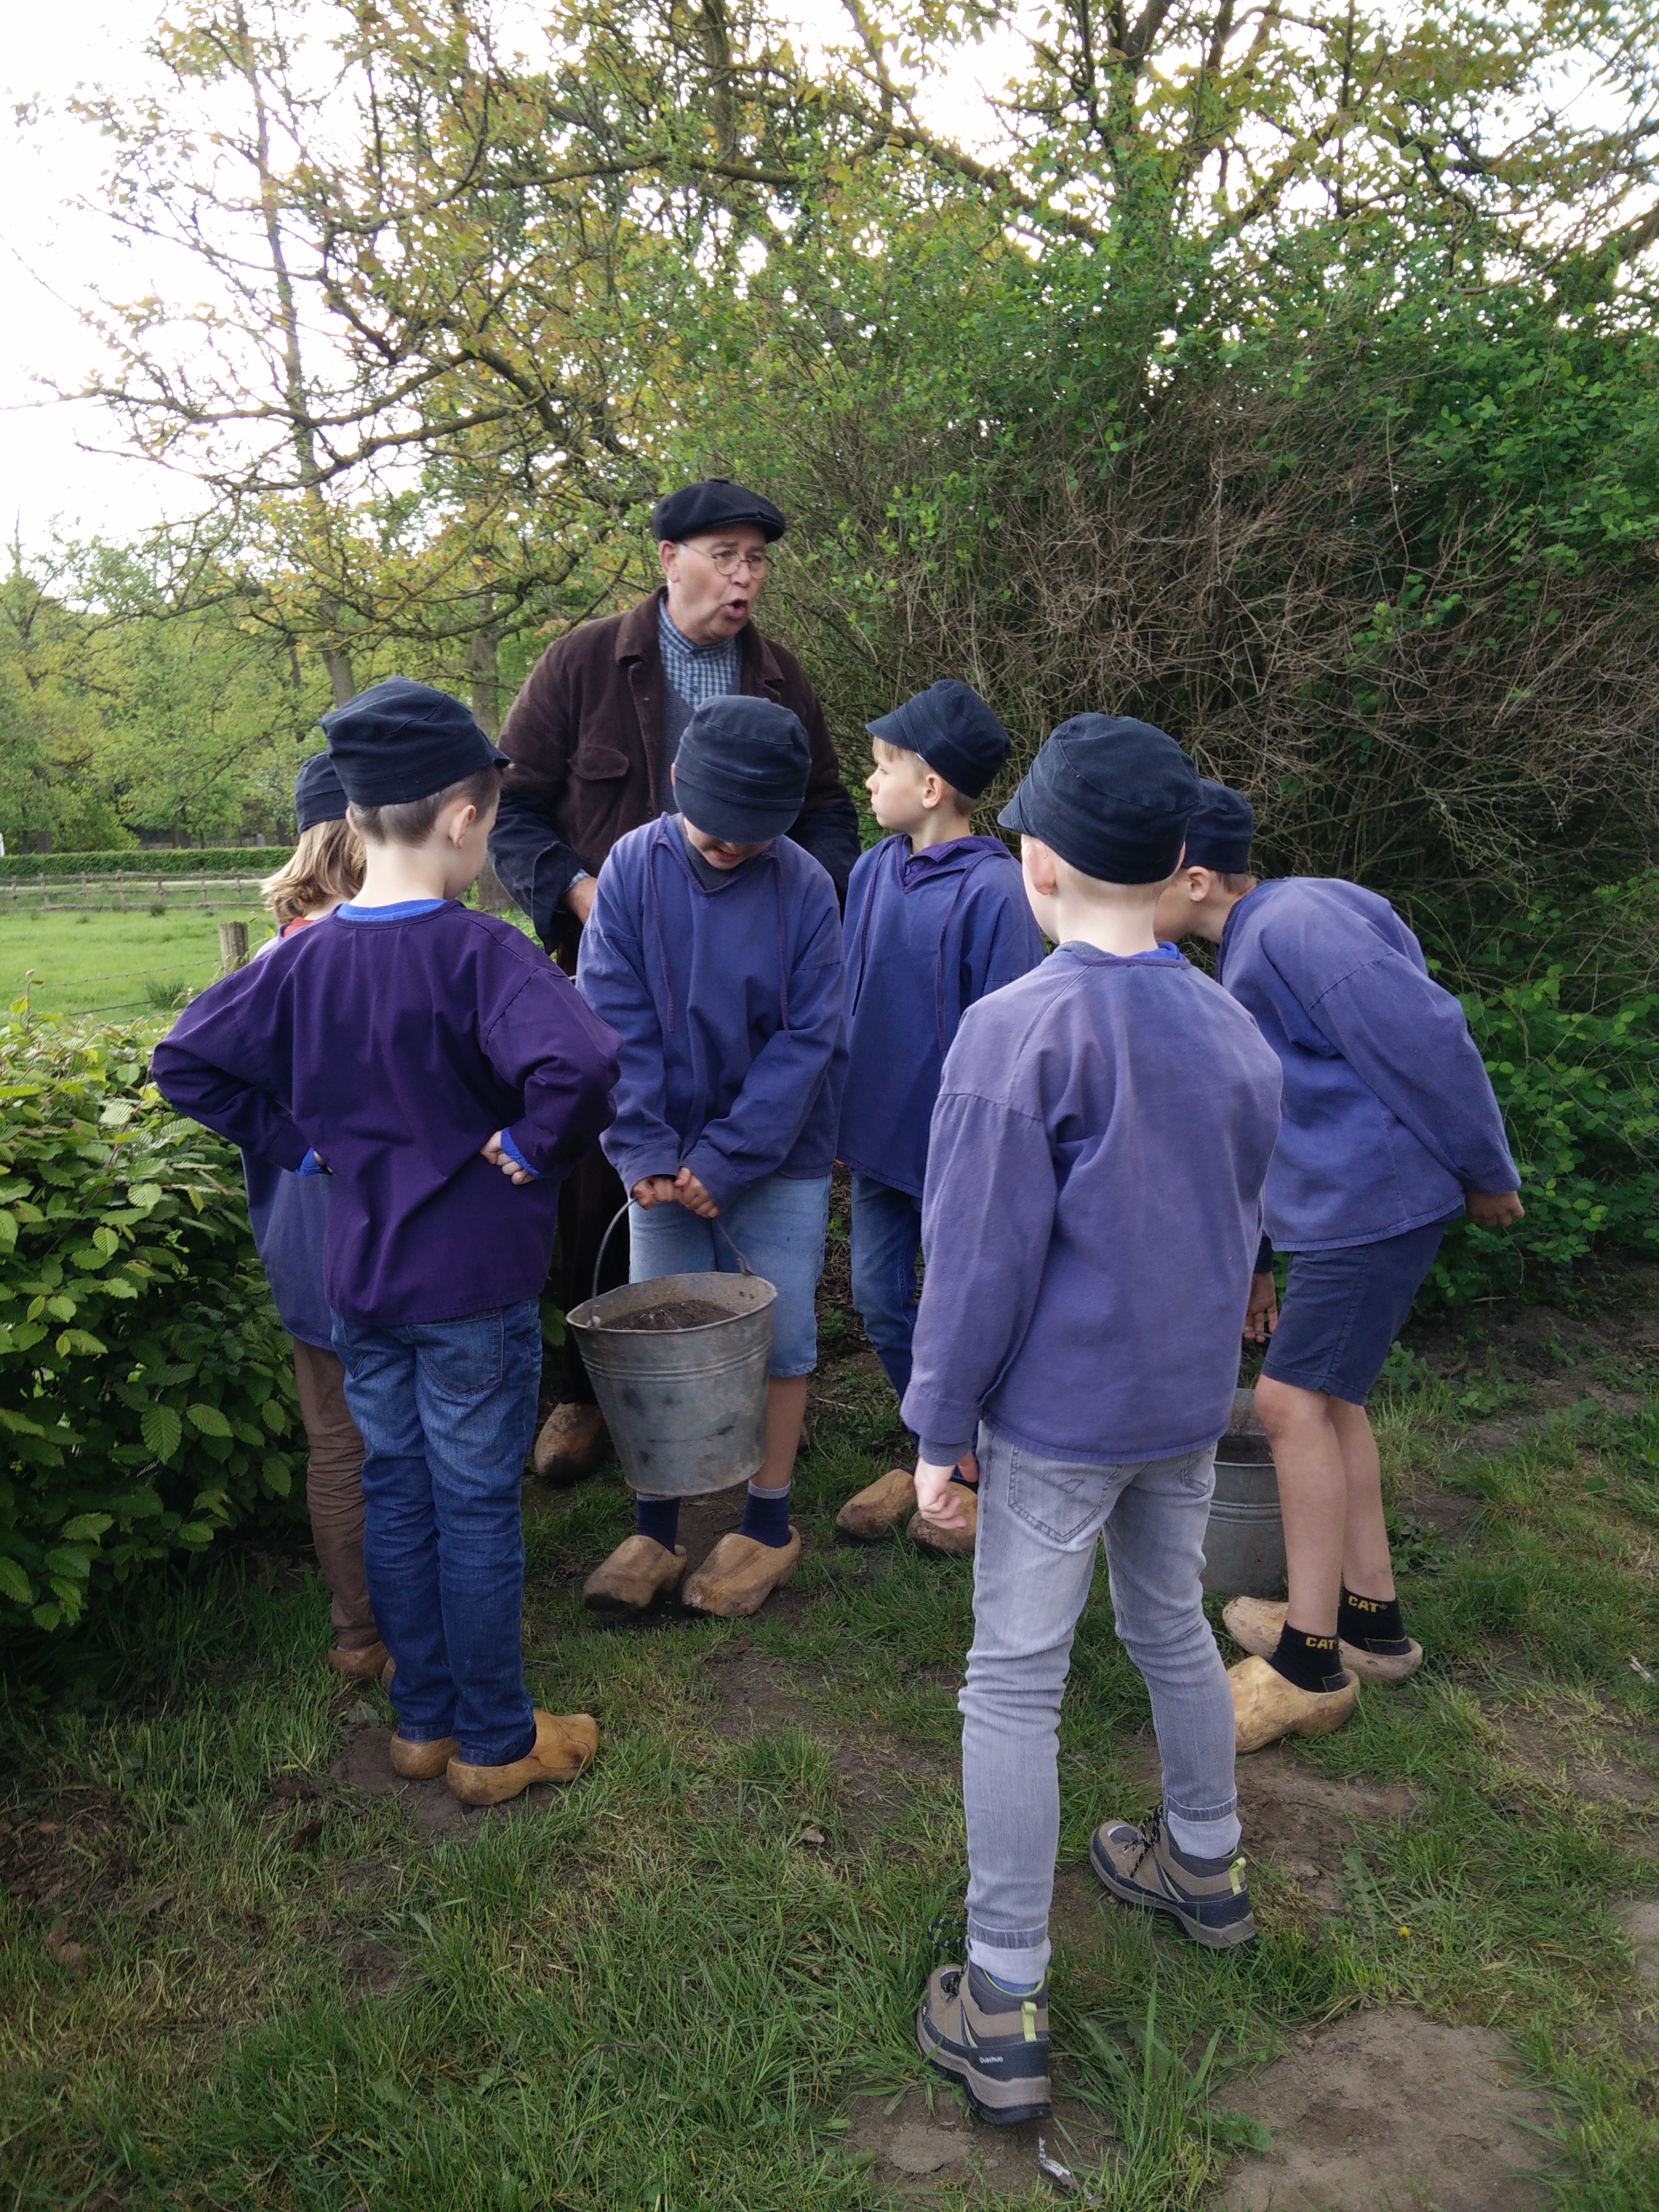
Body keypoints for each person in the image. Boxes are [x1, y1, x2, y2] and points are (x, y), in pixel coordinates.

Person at [903, 717, 1283, 2125]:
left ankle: (1001, 2000)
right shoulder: (1232, 1022)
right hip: (1183, 1406)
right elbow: (1244, 1229)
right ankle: (1206, 1864)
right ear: (1177, 865)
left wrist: (939, 1430)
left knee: (1012, 1681)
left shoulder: (1016, 1032)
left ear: (1039, 861)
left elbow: (977, 1261)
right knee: (1169, 1623)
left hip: (1058, 1426)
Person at [152, 678, 622, 1808]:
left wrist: (298, 1142)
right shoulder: (487, 954)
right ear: (466, 821)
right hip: (470, 1290)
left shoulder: (299, 960)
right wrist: (532, 1141)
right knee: (471, 1507)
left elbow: (185, 1059)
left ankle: (421, 1726)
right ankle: (497, 1740)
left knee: (400, 1495)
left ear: (356, 822)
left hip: (360, 1282)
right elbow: (590, 1062)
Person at [488, 479, 860, 1489]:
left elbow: (828, 808)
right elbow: (512, 809)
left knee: (751, 1205)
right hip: (611, 963)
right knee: (600, 1188)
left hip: (758, 974)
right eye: (727, 555)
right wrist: (579, 893)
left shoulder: (781, 678)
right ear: (669, 559)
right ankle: (588, 1392)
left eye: (757, 559)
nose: (746, 577)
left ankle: (747, 1399)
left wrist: (803, 898)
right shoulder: (582, 663)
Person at [1154, 781, 1523, 1754]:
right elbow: (1276, 1120)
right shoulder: (1260, 936)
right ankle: (1370, 1622)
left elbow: (1428, 1039)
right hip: (1332, 1215)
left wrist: (1488, 1169)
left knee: (1286, 1406)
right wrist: (1262, 1261)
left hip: (1372, 1210)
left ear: (1193, 878)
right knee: (1332, 1400)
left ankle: (1308, 1662)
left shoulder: (1298, 925)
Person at [574, 694, 845, 1620]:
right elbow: (613, 1015)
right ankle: (658, 1525)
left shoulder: (806, 887)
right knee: (662, 1333)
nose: (731, 846)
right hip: (658, 1156)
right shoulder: (630, 871)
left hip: (779, 1152)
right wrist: (644, 1148)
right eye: (717, 829)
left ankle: (765, 1526)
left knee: (785, 1329)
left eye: (752, 835)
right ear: (680, 785)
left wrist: (729, 1158)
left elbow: (808, 1041)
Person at [832, 681, 1045, 1557]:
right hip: (878, 1140)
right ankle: (948, 1454)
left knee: (971, 1312)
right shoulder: (872, 869)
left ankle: (991, 1464)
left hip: (960, 1155)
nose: (866, 780)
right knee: (881, 1300)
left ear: (930, 789)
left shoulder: (997, 893)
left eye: (882, 766)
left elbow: (1009, 1038)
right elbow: (849, 996)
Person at [240, 753, 381, 1680]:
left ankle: (355, 1633)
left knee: (335, 1440)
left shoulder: (267, 960)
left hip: (300, 1250)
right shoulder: (378, 950)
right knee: (404, 1444)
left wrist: (292, 1146)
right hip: (386, 1247)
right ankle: (421, 1631)